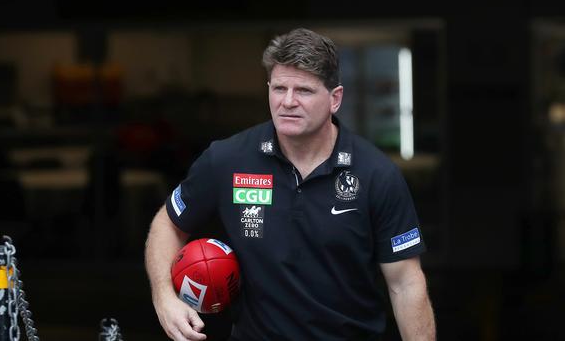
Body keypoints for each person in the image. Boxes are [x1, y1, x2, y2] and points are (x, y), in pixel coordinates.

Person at [145, 27, 436, 341]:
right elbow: (167, 223)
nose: (288, 101)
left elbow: (405, 284)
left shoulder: (376, 174)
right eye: (279, 88)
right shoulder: (227, 159)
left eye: (304, 91)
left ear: (335, 98)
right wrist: (164, 297)